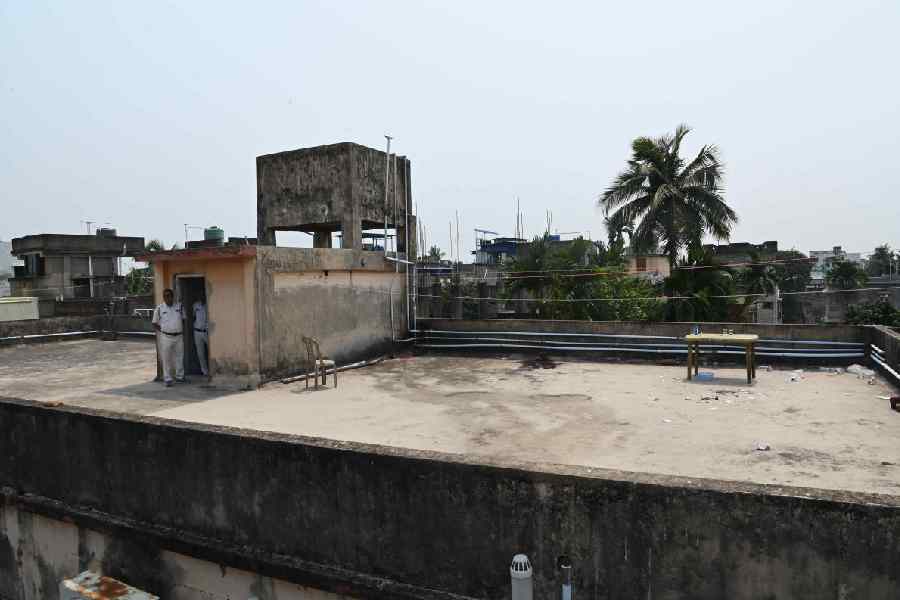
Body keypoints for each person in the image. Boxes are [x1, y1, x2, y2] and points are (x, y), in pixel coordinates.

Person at [151, 288, 184, 387]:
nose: (167, 298)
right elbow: (154, 323)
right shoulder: (160, 308)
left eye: (169, 295)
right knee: (166, 358)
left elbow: (184, 319)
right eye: (165, 296)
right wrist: (163, 330)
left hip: (179, 336)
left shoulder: (180, 307)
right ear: (163, 297)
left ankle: (180, 376)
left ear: (172, 296)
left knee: (179, 357)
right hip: (166, 337)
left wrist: (181, 329)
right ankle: (168, 378)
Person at [192, 293, 209, 378]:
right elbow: (193, 316)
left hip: (207, 332)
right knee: (200, 353)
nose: (201, 297)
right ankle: (204, 371)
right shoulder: (195, 305)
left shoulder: (209, 304)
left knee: (211, 351)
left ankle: (212, 369)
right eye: (200, 295)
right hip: (197, 331)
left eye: (202, 295)